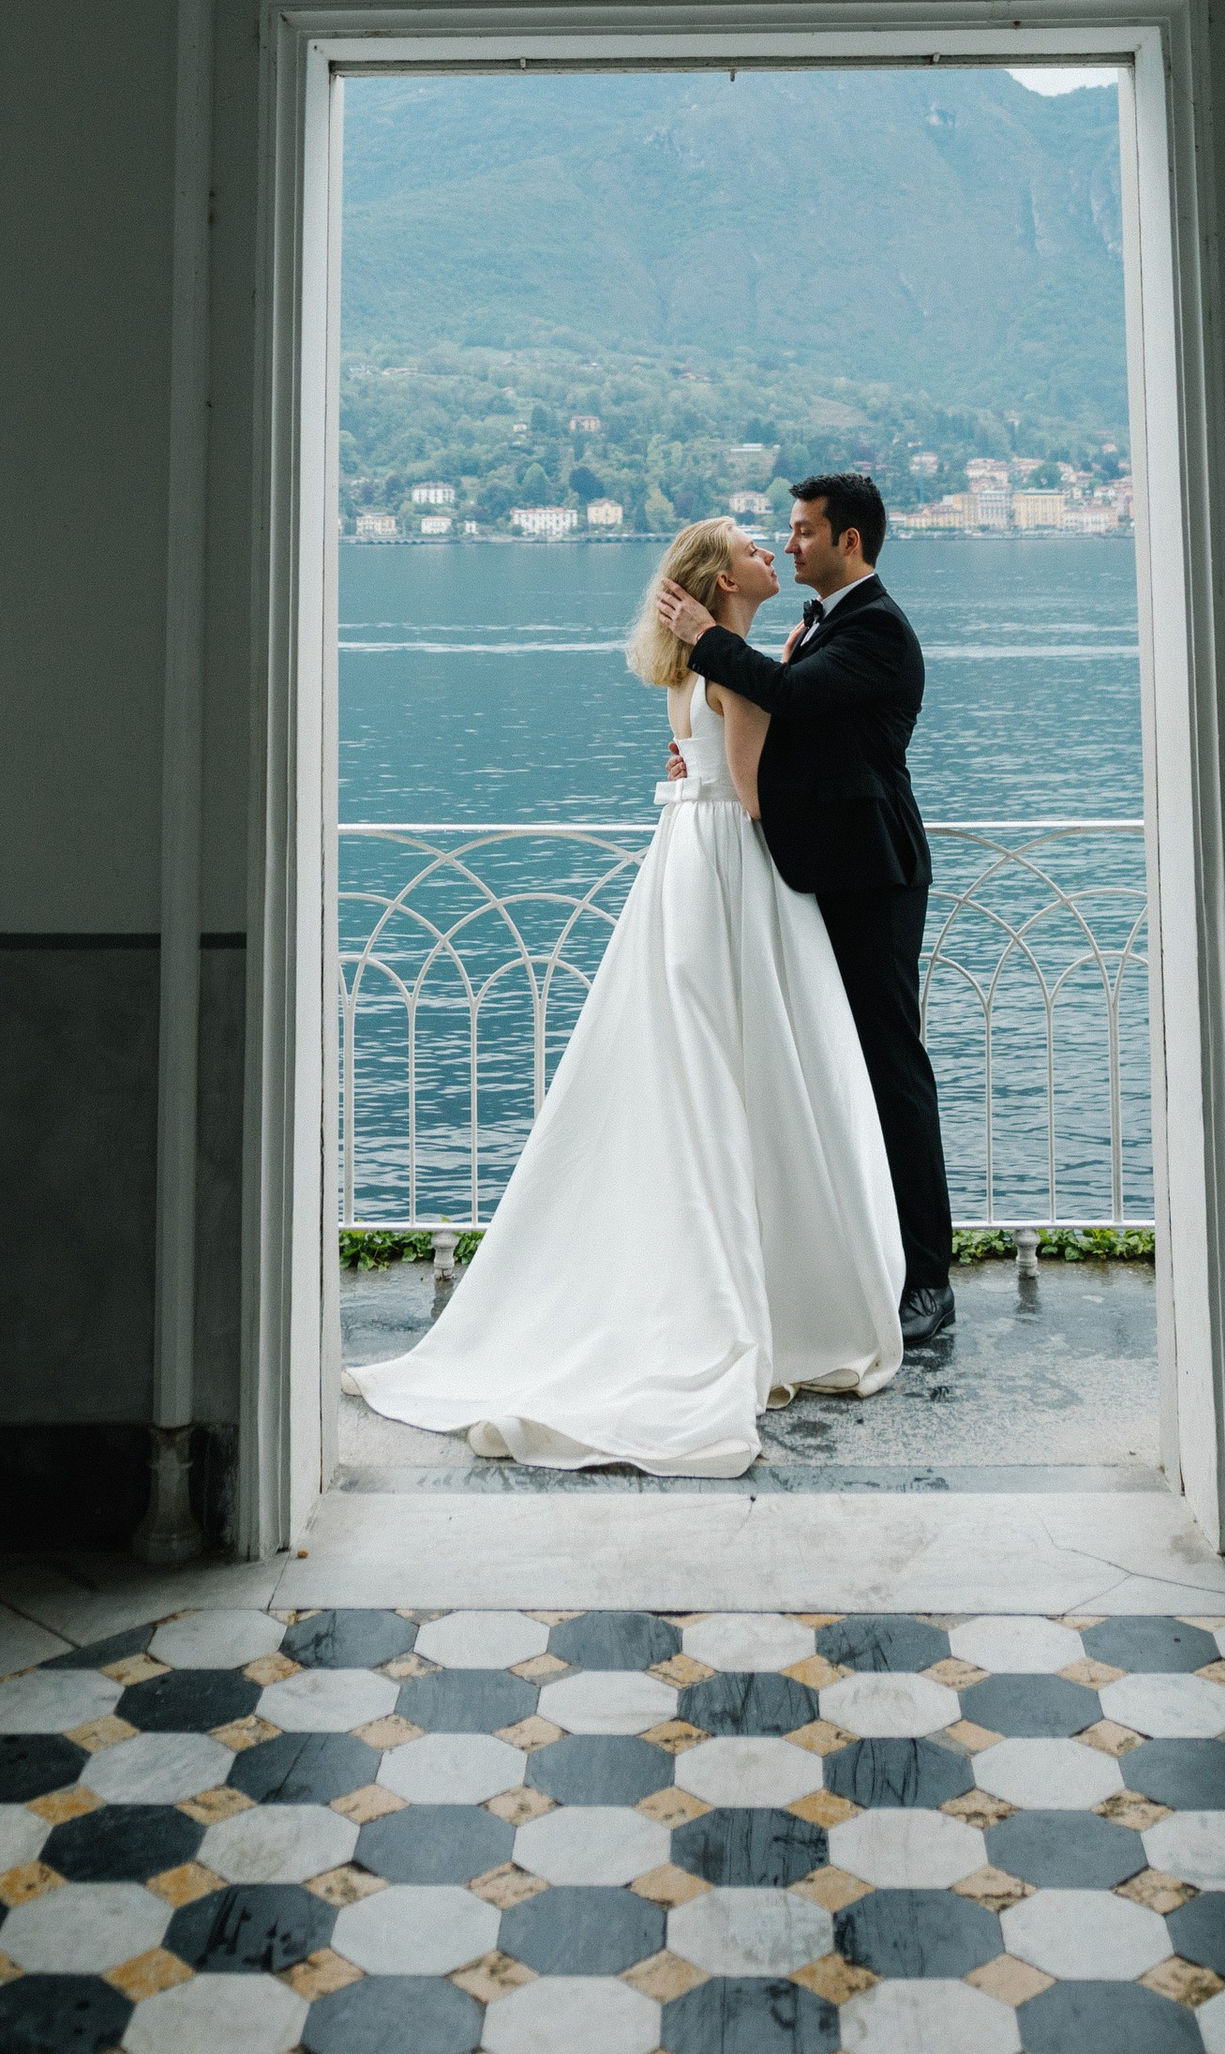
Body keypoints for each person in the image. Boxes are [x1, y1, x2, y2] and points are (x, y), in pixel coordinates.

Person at [341, 514, 902, 1475]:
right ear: (722, 582)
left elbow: (696, 771)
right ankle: (781, 1293)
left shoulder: (692, 672)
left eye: (785, 539)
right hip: (733, 873)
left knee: (691, 1071)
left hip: (682, 868)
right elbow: (757, 795)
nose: (771, 551)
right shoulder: (735, 668)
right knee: (764, 1069)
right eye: (752, 549)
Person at [659, 470, 958, 1349]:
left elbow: (786, 700)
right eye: (783, 534)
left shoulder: (878, 631)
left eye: (800, 532)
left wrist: (707, 639)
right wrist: (702, 763)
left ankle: (927, 1280)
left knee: (890, 1069)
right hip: (811, 872)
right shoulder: (821, 627)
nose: (787, 544)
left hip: (870, 877)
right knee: (827, 1068)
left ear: (849, 542)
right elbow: (785, 728)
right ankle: (848, 1254)